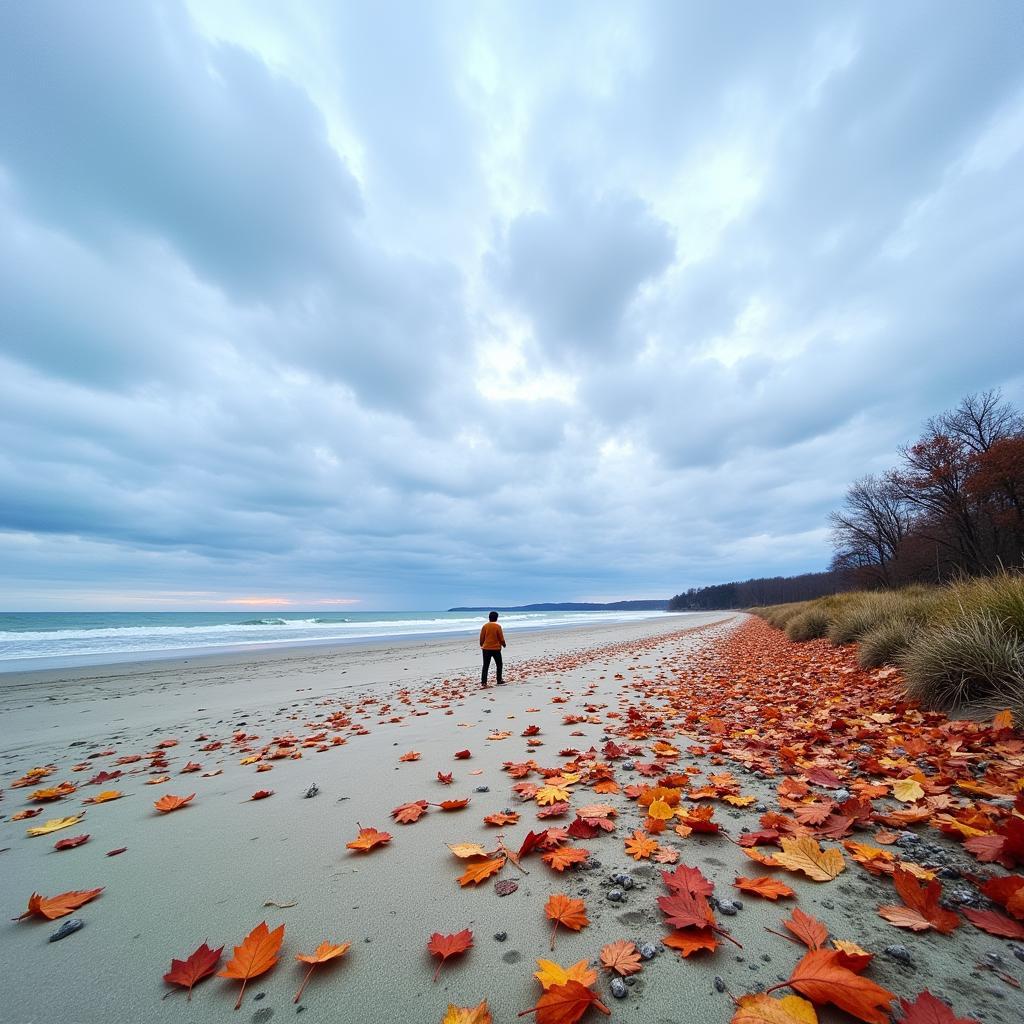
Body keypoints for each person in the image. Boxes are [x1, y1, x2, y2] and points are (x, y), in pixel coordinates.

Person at [479, 610, 506, 687]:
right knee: (499, 664)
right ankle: (499, 680)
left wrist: (482, 644)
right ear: (496, 618)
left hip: (486, 648)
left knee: (485, 665)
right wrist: (503, 644)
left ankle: (484, 682)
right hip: (496, 649)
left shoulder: (485, 626)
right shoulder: (498, 626)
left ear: (489, 618)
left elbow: (482, 637)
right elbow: (501, 637)